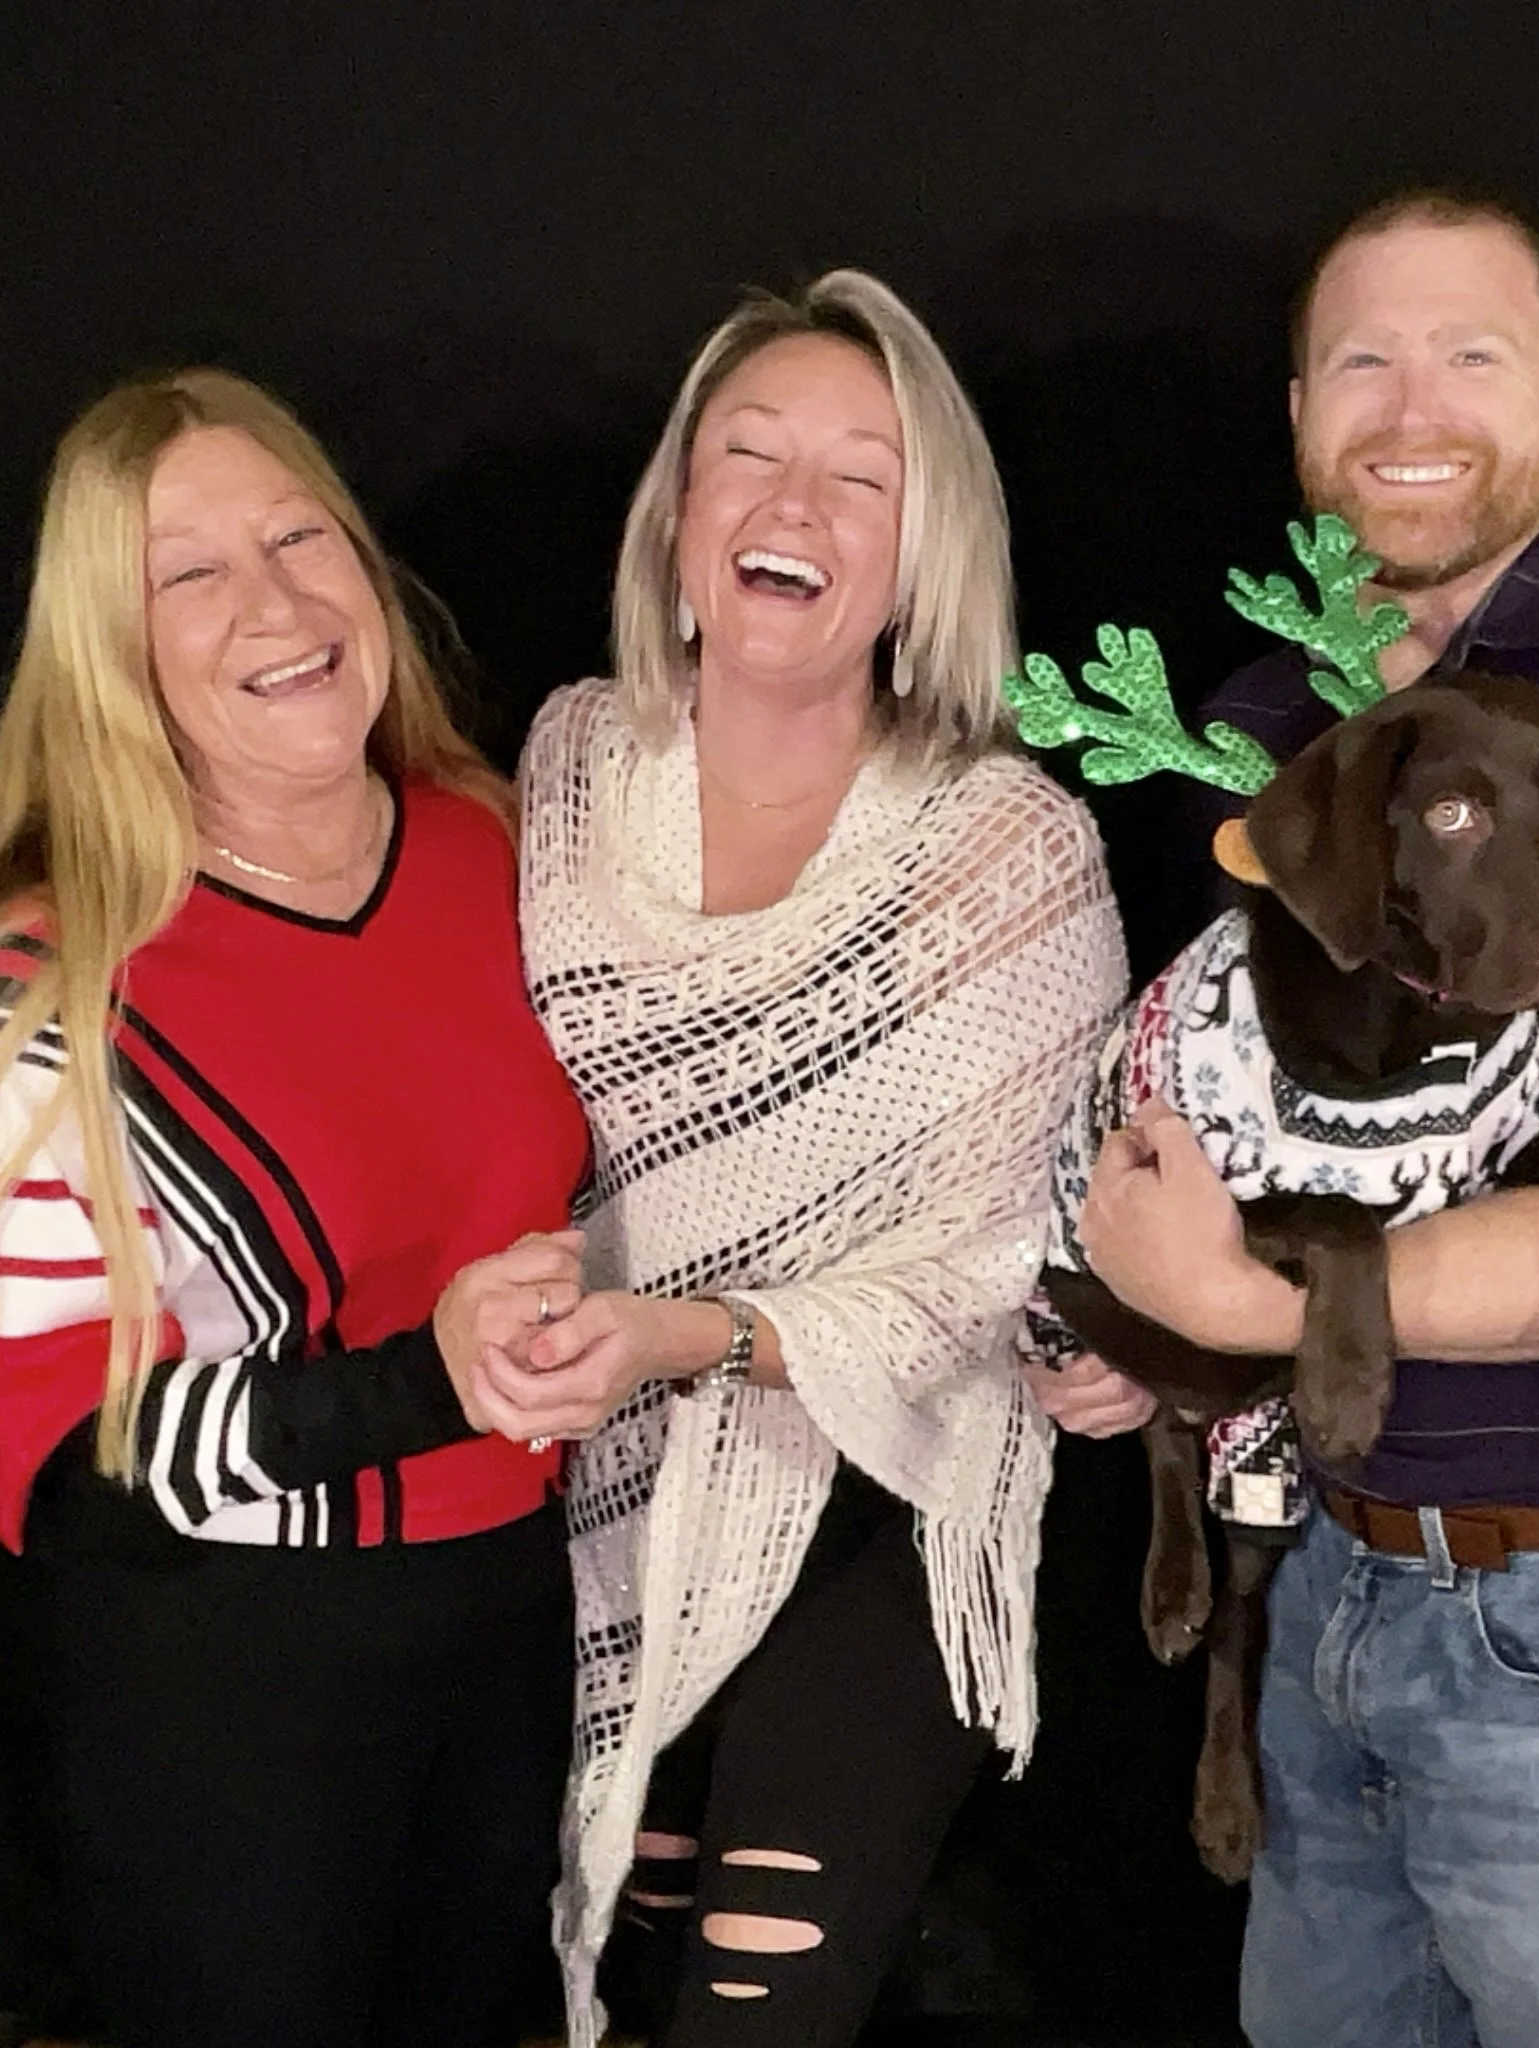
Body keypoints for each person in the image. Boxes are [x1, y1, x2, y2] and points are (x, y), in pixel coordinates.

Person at [1033, 188, 1539, 2048]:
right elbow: (1243, 1118)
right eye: (1361, 360)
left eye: (1472, 356)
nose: (1411, 405)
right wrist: (1158, 1326)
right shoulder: (1264, 725)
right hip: (1330, 1575)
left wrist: (1260, 1305)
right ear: (1304, 413)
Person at [0, 368, 591, 2048]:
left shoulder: (509, 848)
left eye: (300, 536)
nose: (273, 603)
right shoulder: (47, 981)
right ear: (105, 645)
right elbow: (60, 1470)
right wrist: (433, 1382)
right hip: (229, 1687)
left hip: (522, 1635)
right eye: (186, 572)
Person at [477, 269, 1126, 2047]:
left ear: (925, 554)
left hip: (879, 1481)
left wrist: (703, 1333)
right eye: (746, 455)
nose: (789, 506)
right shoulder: (567, 763)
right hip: (584, 1481)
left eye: (860, 476)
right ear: (679, 514)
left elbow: (1017, 1252)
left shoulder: (1009, 846)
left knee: (759, 2007)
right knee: (594, 1967)